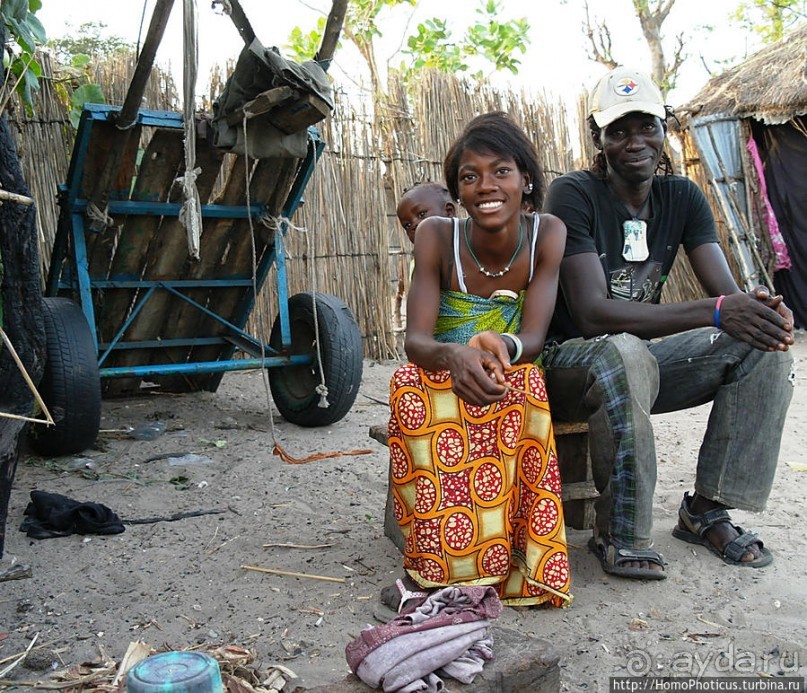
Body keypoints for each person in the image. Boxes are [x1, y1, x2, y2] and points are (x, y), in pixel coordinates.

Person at [542, 66, 795, 581]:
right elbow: (592, 314)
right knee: (622, 350)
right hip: (567, 367)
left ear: (664, 129)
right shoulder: (573, 194)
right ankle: (621, 533)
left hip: (636, 364)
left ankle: (706, 508)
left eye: (646, 127)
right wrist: (717, 310)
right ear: (598, 138)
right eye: (618, 130)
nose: (634, 141)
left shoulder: (682, 197)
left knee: (762, 344)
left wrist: (760, 308)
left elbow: (725, 297)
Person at [386, 111, 571, 608]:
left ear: (526, 178)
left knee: (526, 385)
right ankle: (435, 566)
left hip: (504, 366)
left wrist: (498, 349)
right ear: (457, 192)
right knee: (407, 384)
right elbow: (416, 342)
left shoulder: (548, 234)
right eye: (470, 176)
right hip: (441, 366)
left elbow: (532, 335)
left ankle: (503, 565)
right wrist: (455, 356)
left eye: (501, 171)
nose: (486, 186)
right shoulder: (436, 236)